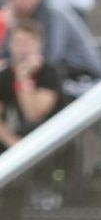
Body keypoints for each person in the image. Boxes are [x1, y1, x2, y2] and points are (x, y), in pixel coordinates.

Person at [2, 0, 101, 104]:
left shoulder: (53, 14)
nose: (19, 2)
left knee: (46, 95)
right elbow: (7, 54)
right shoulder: (15, 17)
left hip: (82, 76)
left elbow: (50, 57)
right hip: (53, 75)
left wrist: (18, 67)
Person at [0, 18, 62, 151]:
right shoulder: (4, 76)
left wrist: (22, 78)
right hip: (13, 142)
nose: (24, 49)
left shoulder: (49, 74)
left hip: (47, 144)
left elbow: (32, 114)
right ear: (9, 45)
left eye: (29, 42)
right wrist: (10, 140)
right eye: (19, 42)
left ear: (38, 44)